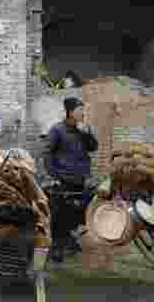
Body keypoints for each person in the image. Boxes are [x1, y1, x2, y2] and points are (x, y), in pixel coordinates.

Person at [43, 97, 99, 262]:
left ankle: (70, 239)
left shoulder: (83, 129)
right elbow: (47, 153)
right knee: (60, 214)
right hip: (64, 179)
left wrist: (87, 134)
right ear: (70, 112)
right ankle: (57, 247)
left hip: (81, 178)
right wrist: (54, 175)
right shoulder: (57, 130)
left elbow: (93, 147)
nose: (82, 113)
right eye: (79, 110)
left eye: (83, 109)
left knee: (79, 212)